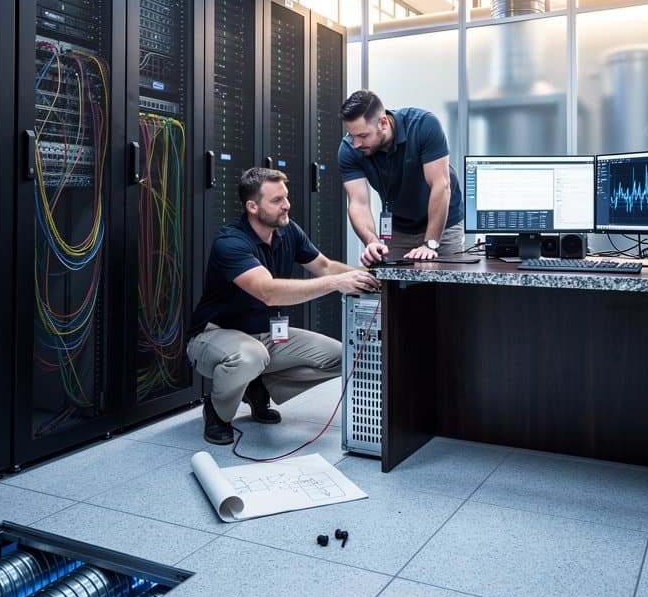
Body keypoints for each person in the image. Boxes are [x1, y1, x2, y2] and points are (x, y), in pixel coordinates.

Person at [186, 167, 379, 445]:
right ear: (252, 206)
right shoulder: (230, 242)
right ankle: (217, 412)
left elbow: (324, 266)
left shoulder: (288, 231)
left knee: (344, 356)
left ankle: (257, 387)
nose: (286, 205)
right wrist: (337, 283)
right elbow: (268, 292)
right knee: (251, 357)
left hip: (265, 337)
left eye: (285, 197)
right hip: (213, 336)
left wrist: (367, 278)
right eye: (276, 200)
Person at [338, 90, 465, 266]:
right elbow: (358, 203)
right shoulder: (349, 150)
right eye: (352, 136)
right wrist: (372, 241)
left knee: (447, 288)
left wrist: (430, 243)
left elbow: (441, 186)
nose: (356, 143)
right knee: (399, 289)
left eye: (363, 136)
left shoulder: (424, 125)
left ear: (383, 122)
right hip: (400, 228)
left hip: (443, 224)